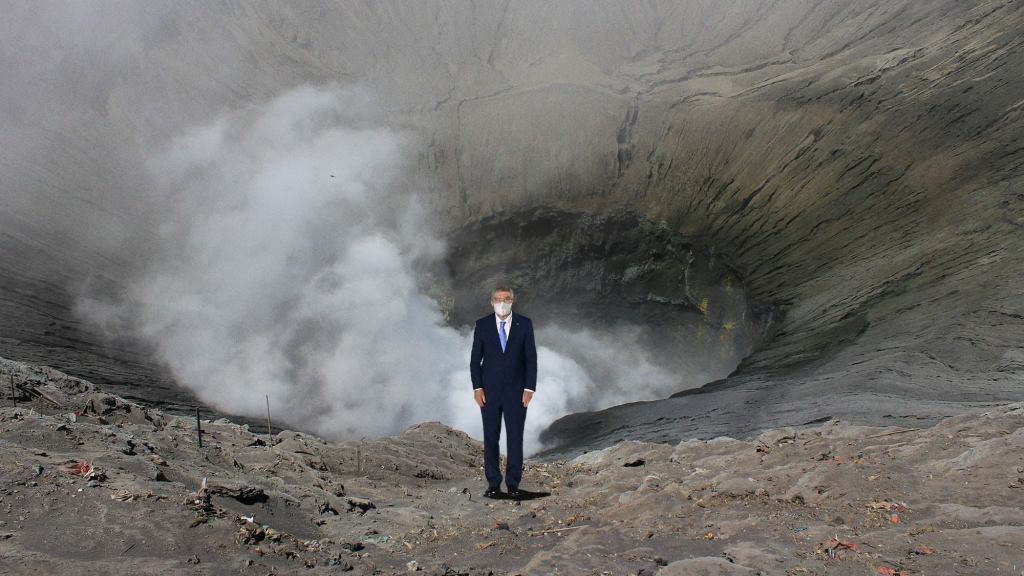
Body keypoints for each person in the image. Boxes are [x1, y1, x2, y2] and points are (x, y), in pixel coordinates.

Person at [470, 285, 537, 500]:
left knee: (515, 438)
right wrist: (477, 387)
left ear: (512, 301)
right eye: (498, 299)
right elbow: (474, 361)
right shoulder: (482, 325)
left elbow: (531, 359)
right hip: (489, 392)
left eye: (506, 298)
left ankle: (513, 484)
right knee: (491, 438)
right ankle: (493, 484)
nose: (502, 302)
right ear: (491, 302)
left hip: (517, 392)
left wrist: (529, 388)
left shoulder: (524, 324)